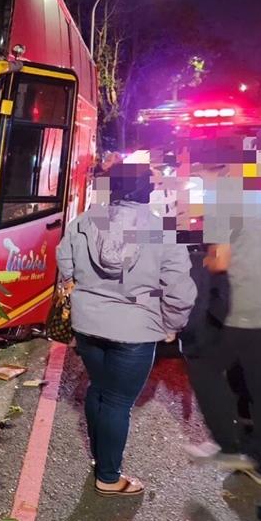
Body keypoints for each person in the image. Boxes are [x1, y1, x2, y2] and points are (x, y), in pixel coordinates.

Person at [57, 162, 196, 497]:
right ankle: (108, 476)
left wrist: (78, 289)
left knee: (98, 389)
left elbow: (65, 264)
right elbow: (179, 289)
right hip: (136, 329)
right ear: (147, 190)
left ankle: (100, 454)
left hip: (88, 325)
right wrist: (172, 324)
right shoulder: (158, 229)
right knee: (117, 401)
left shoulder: (89, 220)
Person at [183, 140, 261, 487]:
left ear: (217, 171)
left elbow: (221, 261)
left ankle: (228, 446)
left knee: (203, 367)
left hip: (244, 309)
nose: (198, 179)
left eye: (200, 172)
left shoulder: (222, 200)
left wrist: (202, 259)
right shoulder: (259, 199)